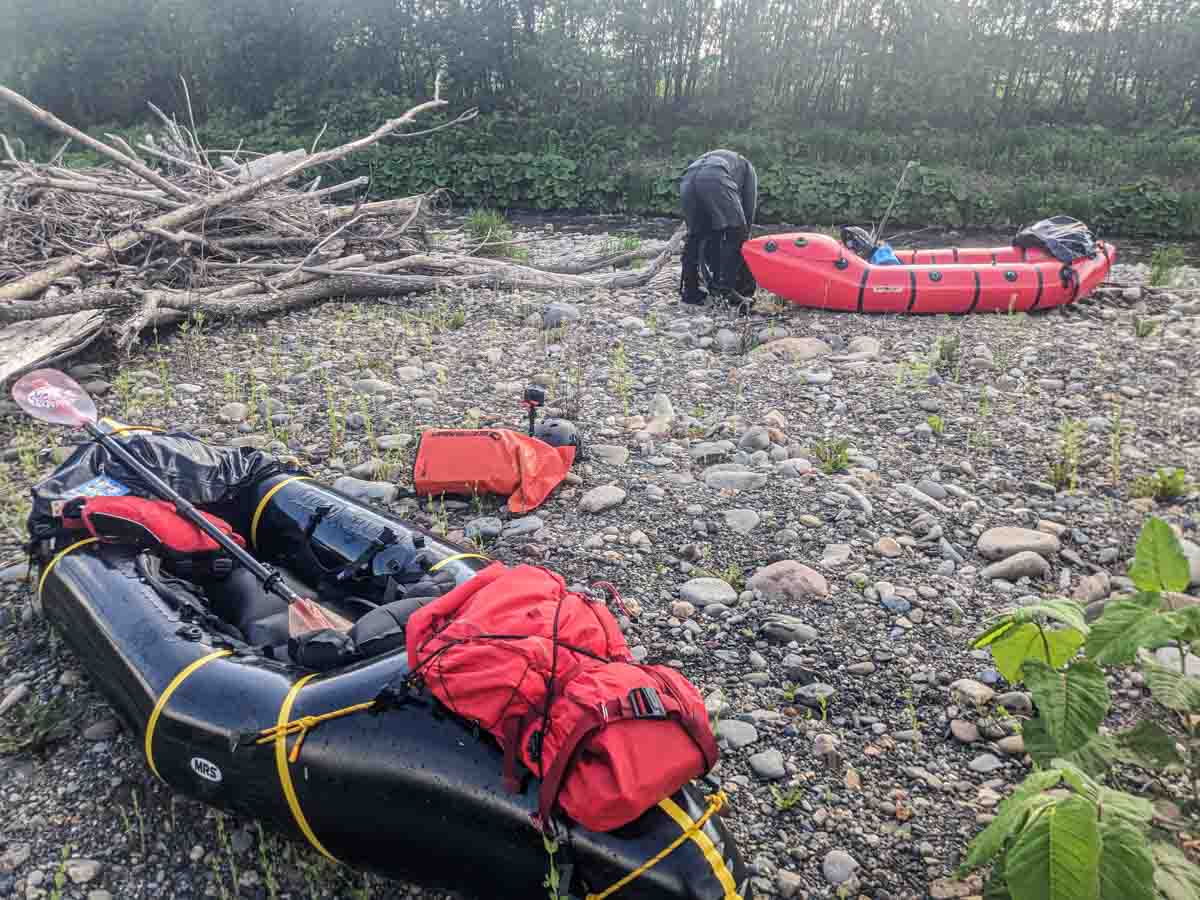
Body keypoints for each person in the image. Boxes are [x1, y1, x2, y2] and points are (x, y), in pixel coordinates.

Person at [679, 149, 758, 307]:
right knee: (738, 232)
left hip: (687, 178)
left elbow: (713, 235)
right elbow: (747, 217)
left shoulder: (730, 162)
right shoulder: (749, 170)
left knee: (695, 235)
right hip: (714, 176)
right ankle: (725, 291)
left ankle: (690, 291)